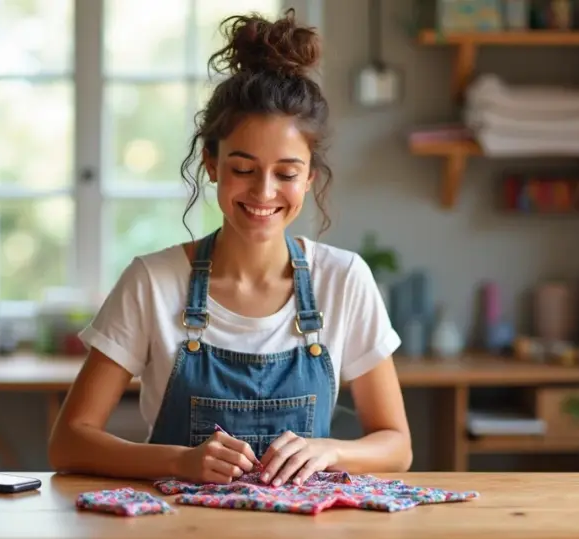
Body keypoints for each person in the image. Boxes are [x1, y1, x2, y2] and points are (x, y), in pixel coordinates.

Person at [48, 9, 411, 487]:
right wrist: (179, 462)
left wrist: (330, 451)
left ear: (310, 178)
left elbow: (396, 445)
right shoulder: (153, 281)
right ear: (212, 164)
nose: (263, 193)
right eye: (243, 169)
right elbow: (69, 440)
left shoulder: (344, 279)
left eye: (285, 173)